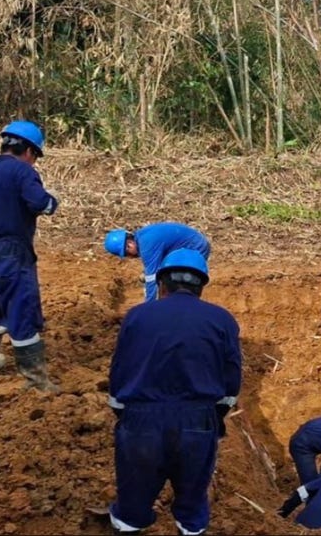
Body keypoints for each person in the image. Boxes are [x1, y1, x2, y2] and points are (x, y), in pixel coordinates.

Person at [107, 249, 241, 535]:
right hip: (198, 422)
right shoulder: (222, 320)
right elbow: (231, 379)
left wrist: (122, 412)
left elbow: (120, 367)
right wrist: (214, 417)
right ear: (201, 286)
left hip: (141, 422)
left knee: (132, 505)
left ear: (162, 284)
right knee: (192, 505)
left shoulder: (138, 316)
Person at [0, 121, 60, 391]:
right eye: (35, 156)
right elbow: (41, 204)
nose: (33, 162)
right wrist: (52, 202)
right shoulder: (23, 173)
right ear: (27, 151)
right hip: (10, 252)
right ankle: (37, 381)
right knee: (21, 311)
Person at [103, 222, 211, 302]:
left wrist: (149, 307)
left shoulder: (147, 246)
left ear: (129, 245)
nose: (131, 257)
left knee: (178, 282)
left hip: (195, 247)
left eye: (127, 254)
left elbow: (152, 280)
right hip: (184, 246)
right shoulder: (142, 237)